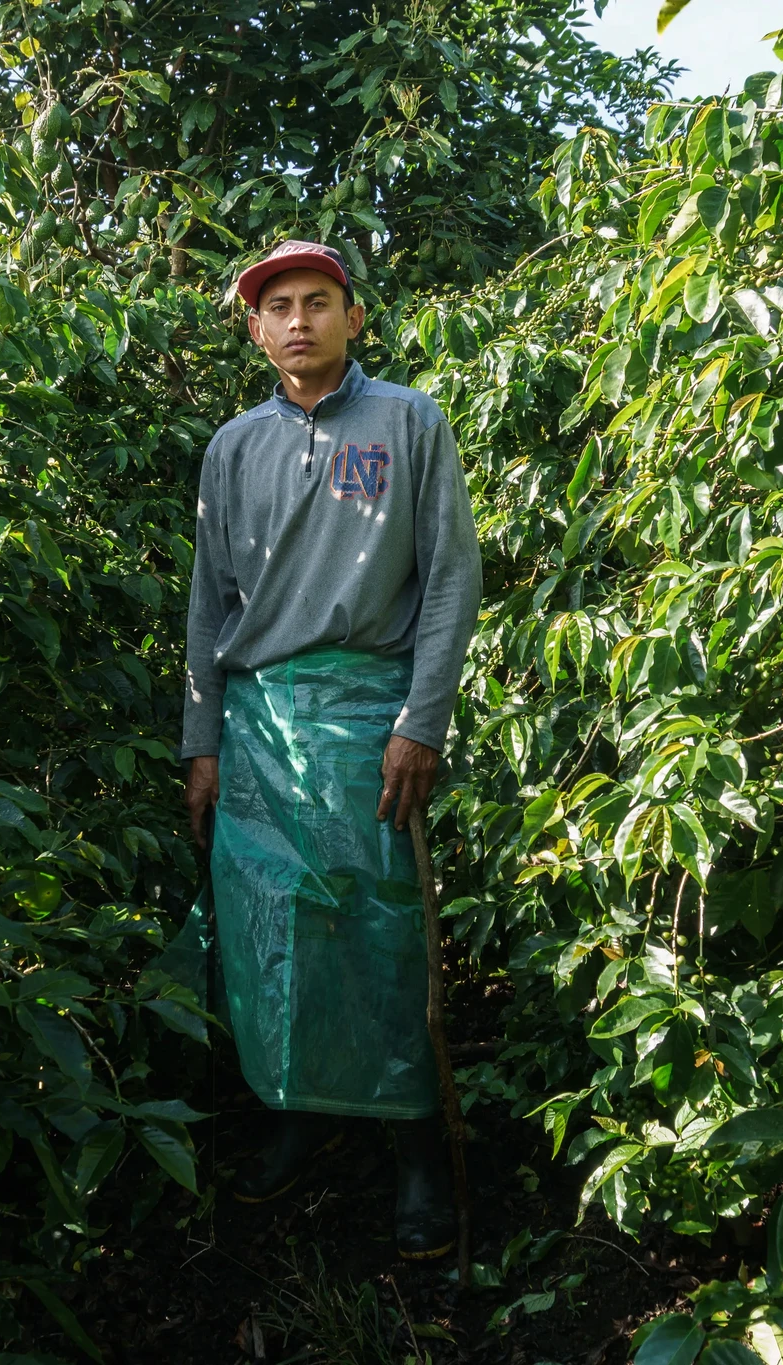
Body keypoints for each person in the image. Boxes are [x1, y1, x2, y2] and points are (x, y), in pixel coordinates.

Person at [180, 239, 483, 1259]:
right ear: (255, 330)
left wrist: (420, 721)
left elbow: (449, 576)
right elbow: (208, 603)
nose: (299, 321)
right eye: (279, 308)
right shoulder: (232, 448)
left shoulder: (407, 421)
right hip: (258, 724)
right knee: (274, 924)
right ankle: (297, 1110)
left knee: (381, 929)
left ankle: (414, 1146)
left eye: (318, 302)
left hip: (368, 719)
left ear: (354, 319)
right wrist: (202, 742)